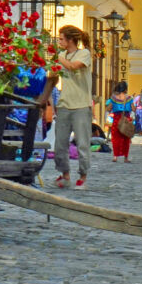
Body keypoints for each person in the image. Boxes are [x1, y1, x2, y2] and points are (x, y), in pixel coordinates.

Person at [47, 25, 96, 189]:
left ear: (70, 40)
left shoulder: (84, 54)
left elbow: (73, 66)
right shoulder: (61, 56)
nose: (59, 41)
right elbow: (52, 78)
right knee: (60, 144)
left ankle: (83, 176)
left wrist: (58, 57)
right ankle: (65, 174)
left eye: (61, 39)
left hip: (81, 105)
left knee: (82, 143)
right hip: (64, 105)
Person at [106, 80, 135, 163]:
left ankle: (115, 156)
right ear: (125, 89)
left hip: (116, 120)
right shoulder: (129, 98)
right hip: (126, 119)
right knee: (126, 139)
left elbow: (108, 109)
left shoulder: (114, 98)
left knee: (115, 138)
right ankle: (126, 158)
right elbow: (133, 109)